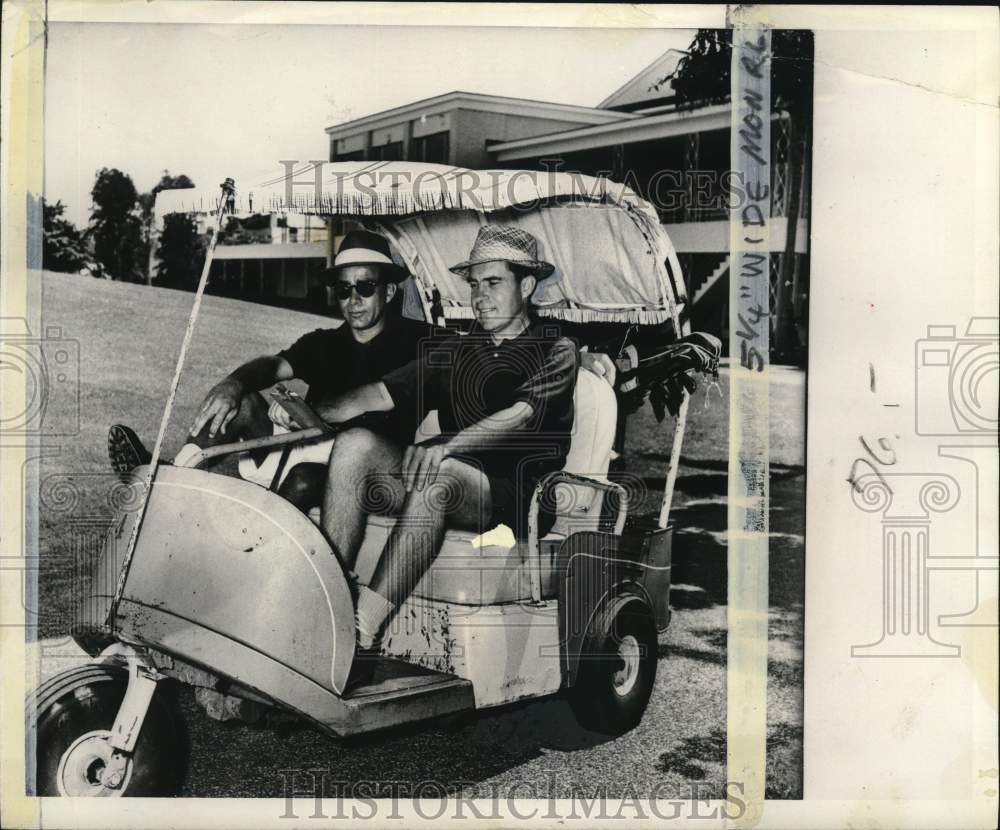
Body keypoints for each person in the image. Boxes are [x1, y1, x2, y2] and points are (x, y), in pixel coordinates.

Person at [308, 226, 581, 683]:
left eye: (493, 282)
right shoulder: (458, 348)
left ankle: (363, 632)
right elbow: (379, 394)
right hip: (452, 479)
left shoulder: (555, 348)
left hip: (518, 499)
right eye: (473, 284)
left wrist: (446, 446)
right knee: (356, 445)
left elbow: (518, 415)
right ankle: (328, 604)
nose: (479, 296)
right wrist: (308, 413)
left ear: (527, 285)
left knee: (440, 475)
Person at [107, 229, 441, 509]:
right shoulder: (324, 342)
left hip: (364, 469)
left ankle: (254, 551)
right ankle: (170, 481)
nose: (353, 299)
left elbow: (391, 392)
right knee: (245, 403)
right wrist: (234, 383)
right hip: (301, 445)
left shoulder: (420, 341)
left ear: (390, 290)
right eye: (343, 289)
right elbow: (273, 365)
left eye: (365, 287)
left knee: (306, 476)